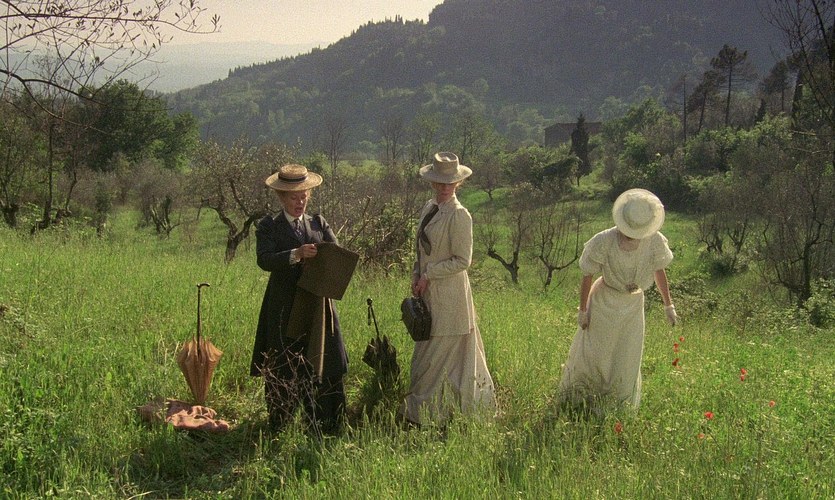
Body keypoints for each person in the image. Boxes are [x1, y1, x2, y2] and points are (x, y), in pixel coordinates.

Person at [558, 188, 678, 413]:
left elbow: (659, 271)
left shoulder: (654, 241)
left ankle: (617, 405)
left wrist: (668, 305)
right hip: (604, 302)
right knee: (597, 352)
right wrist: (583, 310)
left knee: (626, 354)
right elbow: (587, 275)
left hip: (633, 305)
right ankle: (583, 399)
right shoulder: (604, 240)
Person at [250, 164, 348, 435]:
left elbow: (336, 254)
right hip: (284, 304)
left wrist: (323, 258)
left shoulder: (318, 223)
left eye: (303, 196)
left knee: (324, 357)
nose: (300, 202)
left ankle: (325, 421)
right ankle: (281, 422)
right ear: (282, 197)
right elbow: (264, 260)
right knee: (285, 361)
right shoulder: (269, 226)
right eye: (294, 197)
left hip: (317, 305)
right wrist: (296, 254)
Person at [401, 152, 496, 426]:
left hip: (451, 295)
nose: (444, 187)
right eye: (440, 182)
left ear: (458, 183)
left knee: (442, 354)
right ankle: (424, 411)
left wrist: (429, 274)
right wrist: (417, 274)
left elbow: (463, 260)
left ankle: (442, 414)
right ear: (433, 182)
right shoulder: (429, 208)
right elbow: (421, 249)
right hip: (429, 291)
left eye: (450, 182)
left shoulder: (459, 214)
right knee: (426, 351)